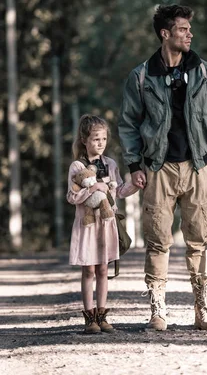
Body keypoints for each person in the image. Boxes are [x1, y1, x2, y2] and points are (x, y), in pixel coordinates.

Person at [118, 4, 207, 331]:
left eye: (189, 29)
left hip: (198, 167)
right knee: (158, 242)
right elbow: (128, 123)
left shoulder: (204, 72)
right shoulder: (141, 76)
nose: (189, 34)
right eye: (183, 29)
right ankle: (158, 310)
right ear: (165, 34)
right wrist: (134, 164)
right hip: (157, 170)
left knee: (199, 241)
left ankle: (202, 310)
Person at [67, 114, 137, 334]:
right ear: (85, 140)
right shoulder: (77, 166)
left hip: (107, 224)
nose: (100, 144)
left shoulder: (111, 164)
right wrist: (93, 188)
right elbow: (71, 196)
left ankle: (102, 314)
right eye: (96, 139)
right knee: (89, 270)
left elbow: (117, 192)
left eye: (104, 139)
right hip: (87, 225)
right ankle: (89, 318)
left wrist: (135, 185)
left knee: (104, 269)